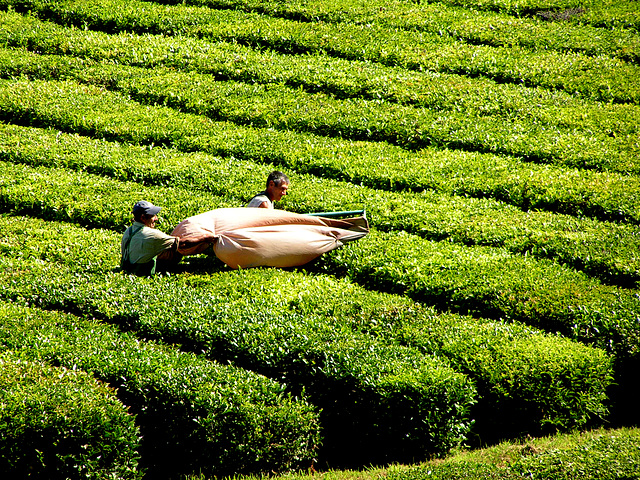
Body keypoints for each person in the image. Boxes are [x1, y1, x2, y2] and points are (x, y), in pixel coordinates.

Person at [120, 200, 214, 276]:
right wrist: (205, 238)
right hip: (141, 273)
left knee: (164, 247)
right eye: (153, 216)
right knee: (174, 249)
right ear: (143, 217)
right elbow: (182, 244)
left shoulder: (128, 230)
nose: (156, 219)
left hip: (127, 268)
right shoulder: (151, 234)